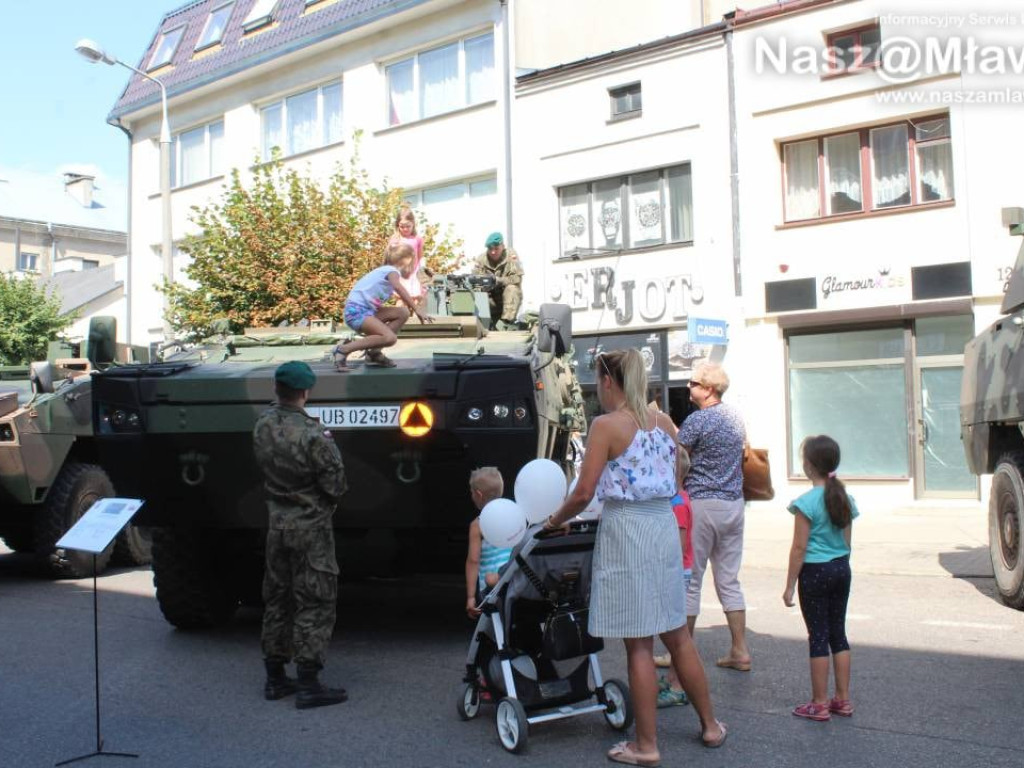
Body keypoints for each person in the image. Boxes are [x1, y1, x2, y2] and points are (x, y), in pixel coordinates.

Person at [544, 349, 726, 765]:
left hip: (628, 531)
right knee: (677, 634)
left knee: (639, 643)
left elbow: (585, 490)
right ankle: (711, 726)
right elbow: (679, 471)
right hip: (662, 524)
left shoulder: (606, 425)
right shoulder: (663, 422)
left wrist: (556, 519)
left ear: (609, 382)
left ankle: (646, 745)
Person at [253, 361, 349, 709]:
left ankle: (275, 678)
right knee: (315, 601)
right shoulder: (313, 434)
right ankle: (309, 683)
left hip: (276, 526)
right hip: (311, 529)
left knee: (277, 599)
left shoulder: (262, 425)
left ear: (276, 389)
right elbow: (335, 483)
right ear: (306, 392)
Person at [678, 362, 751, 672]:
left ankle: (681, 652)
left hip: (702, 504)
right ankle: (740, 650)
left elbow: (678, 458)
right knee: (729, 580)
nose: (689, 388)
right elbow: (744, 453)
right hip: (734, 504)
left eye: (693, 383)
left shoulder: (697, 421)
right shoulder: (735, 417)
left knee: (691, 579)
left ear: (708, 389)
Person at [783, 435, 858, 721]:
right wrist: (841, 564)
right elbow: (848, 542)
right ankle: (842, 698)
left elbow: (799, 548)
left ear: (809, 465)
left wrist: (790, 584)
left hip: (815, 572)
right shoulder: (844, 498)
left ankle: (819, 702)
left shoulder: (806, 502)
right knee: (838, 633)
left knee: (818, 636)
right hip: (841, 567)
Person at [332, 242, 431, 371]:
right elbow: (398, 287)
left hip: (367, 311)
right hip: (357, 313)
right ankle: (343, 349)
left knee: (403, 312)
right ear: (407, 260)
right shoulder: (392, 271)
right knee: (389, 338)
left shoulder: (384, 271)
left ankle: (373, 353)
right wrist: (417, 309)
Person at [654, 449, 694, 708]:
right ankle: (672, 679)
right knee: (673, 634)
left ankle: (679, 686)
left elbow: (677, 547)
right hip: (676, 571)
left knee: (676, 636)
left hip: (675, 573)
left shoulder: (677, 504)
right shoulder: (676, 499)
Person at [464, 467, 513, 618]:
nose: (471, 496)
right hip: (515, 580)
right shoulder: (514, 513)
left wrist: (471, 597)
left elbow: (473, 561)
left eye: (472, 492)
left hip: (491, 591)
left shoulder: (478, 525)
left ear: (478, 494)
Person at [472, 232, 523, 330]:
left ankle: (505, 324)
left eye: (496, 248)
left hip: (507, 301)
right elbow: (474, 281)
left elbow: (517, 278)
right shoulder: (481, 260)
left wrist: (498, 281)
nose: (493, 252)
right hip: (489, 301)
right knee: (477, 293)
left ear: (502, 246)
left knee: (512, 288)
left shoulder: (511, 256)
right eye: (490, 249)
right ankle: (482, 325)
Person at [388, 206, 431, 313]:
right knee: (401, 300)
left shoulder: (417, 239)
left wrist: (423, 272)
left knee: (417, 300)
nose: (405, 229)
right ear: (397, 225)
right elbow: (390, 258)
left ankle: (417, 325)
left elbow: (420, 256)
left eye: (408, 226)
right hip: (400, 274)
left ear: (413, 224)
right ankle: (399, 325)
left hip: (414, 274)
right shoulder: (395, 239)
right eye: (402, 226)